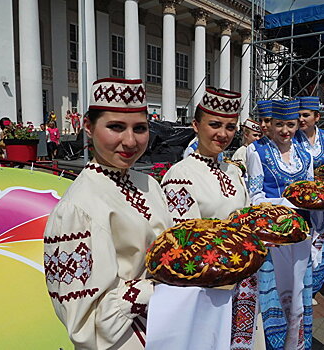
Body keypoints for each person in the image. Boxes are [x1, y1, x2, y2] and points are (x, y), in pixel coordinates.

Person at [44, 78, 173, 349]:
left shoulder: (147, 183)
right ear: (88, 127)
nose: (129, 141)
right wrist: (153, 289)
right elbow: (82, 324)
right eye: (115, 127)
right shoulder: (77, 208)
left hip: (167, 324)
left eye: (140, 129)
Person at [160, 88, 262, 349]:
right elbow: (185, 243)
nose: (223, 134)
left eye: (230, 127)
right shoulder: (179, 175)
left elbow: (246, 219)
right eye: (214, 125)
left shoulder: (233, 171)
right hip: (208, 287)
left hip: (244, 282)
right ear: (196, 125)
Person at [247, 99, 314, 349]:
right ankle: (271, 342)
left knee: (297, 288)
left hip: (300, 233)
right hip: (271, 236)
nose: (285, 131)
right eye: (279, 125)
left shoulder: (304, 153)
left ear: (298, 125)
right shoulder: (257, 151)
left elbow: (310, 191)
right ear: (270, 125)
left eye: (290, 124)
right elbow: (254, 197)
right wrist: (287, 205)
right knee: (273, 290)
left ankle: (295, 340)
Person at [295, 96, 324, 304]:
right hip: (301, 198)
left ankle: (314, 287)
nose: (301, 119)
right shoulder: (292, 137)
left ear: (316, 117)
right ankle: (301, 285)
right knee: (303, 240)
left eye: (306, 115)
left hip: (321, 199)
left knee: (319, 238)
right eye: (299, 115)